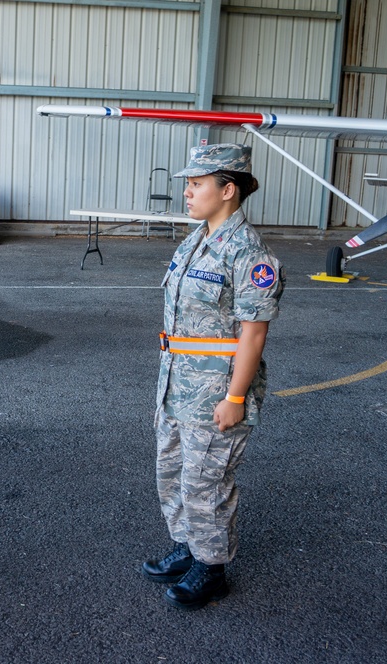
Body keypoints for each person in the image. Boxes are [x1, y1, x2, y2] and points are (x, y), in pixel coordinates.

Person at [141, 143, 284, 610]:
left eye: (196, 184)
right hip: (177, 385)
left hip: (215, 391)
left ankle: (212, 568)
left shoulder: (248, 252)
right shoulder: (196, 239)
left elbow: (254, 334)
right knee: (173, 473)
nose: (187, 191)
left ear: (228, 189)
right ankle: (188, 547)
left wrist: (236, 397)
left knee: (207, 481)